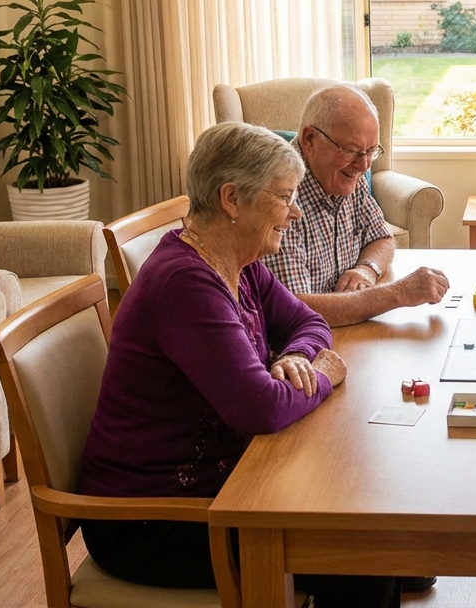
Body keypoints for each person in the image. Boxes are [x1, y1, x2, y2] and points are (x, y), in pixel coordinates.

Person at [78, 122, 399, 607]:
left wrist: (294, 356)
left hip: (228, 481)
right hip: (153, 520)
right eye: (284, 197)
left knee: (369, 528)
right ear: (232, 199)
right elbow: (259, 409)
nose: (293, 213)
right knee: (359, 553)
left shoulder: (239, 262)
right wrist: (322, 377)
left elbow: (309, 321)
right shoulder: (186, 284)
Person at [264, 84, 449, 327]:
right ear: (310, 139)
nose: (364, 166)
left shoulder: (345, 173)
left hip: (349, 328)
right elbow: (295, 310)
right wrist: (398, 293)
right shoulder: (279, 192)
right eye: (351, 150)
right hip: (298, 345)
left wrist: (366, 269)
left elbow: (381, 238)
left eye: (371, 151)